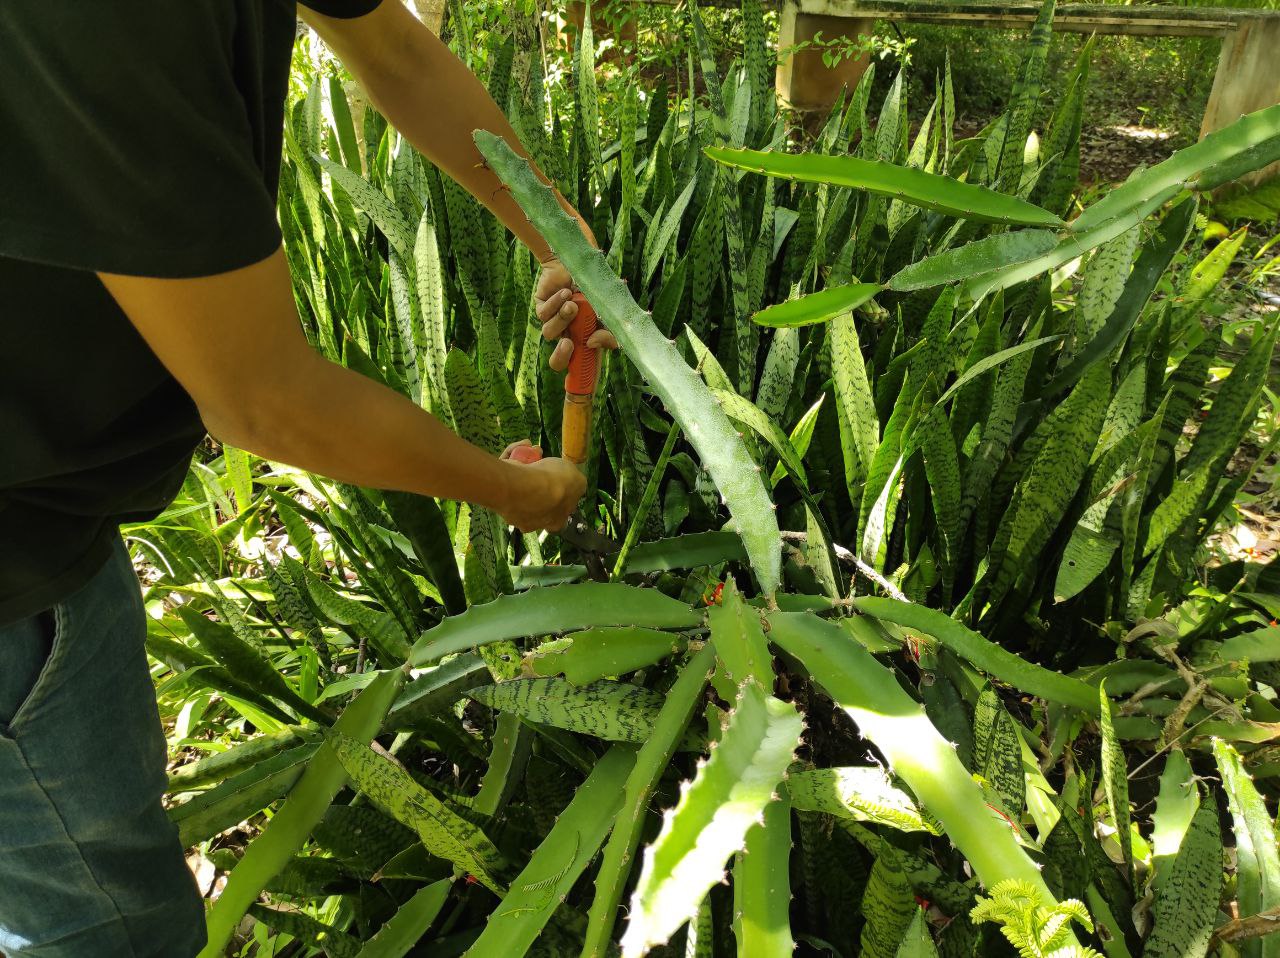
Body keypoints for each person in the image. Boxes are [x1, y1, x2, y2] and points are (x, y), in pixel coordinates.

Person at [0, 2, 618, 954]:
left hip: (53, 501)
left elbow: (399, 53)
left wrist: (559, 235)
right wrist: (520, 493)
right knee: (107, 924)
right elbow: (264, 402)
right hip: (14, 547)